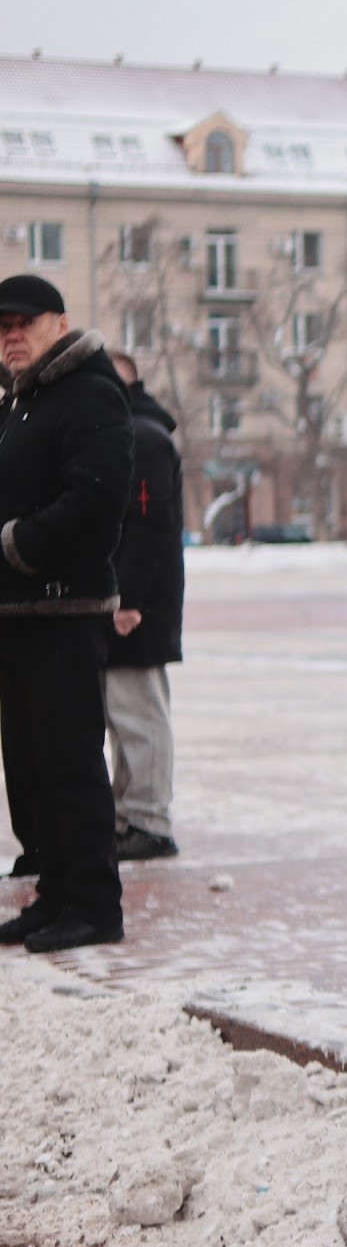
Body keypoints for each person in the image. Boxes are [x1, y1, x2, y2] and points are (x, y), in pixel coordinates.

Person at [0, 276, 133, 951]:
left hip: (64, 608)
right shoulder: (20, 403)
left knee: (69, 762)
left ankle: (95, 906)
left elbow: (97, 500)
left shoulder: (89, 394)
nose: (11, 336)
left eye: (24, 322)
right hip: (17, 613)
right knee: (25, 767)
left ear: (60, 323)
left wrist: (18, 544)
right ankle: (55, 894)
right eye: (1, 328)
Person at [102, 350, 185, 863]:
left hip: (138, 606)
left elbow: (149, 523)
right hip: (124, 599)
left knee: (139, 714)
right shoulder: (126, 432)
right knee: (123, 713)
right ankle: (130, 815)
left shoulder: (143, 437)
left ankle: (149, 821)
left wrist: (128, 599)